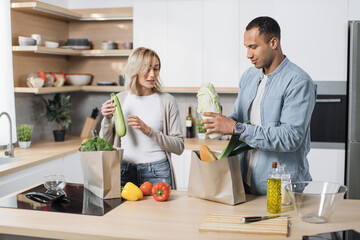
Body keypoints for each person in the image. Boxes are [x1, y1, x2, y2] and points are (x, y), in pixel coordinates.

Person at [202, 16, 317, 195]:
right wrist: (221, 121)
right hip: (243, 179)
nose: (248, 55)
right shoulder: (249, 76)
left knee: (279, 224)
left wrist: (236, 128)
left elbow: (291, 137)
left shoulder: (298, 82)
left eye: (253, 47)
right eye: (246, 47)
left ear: (273, 43)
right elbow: (239, 119)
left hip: (279, 183)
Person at [100, 47, 184, 189]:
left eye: (156, 69)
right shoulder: (120, 99)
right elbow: (105, 144)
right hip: (123, 170)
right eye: (147, 69)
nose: (152, 75)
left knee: (160, 212)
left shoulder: (167, 101)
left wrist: (149, 131)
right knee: (123, 212)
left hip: (158, 172)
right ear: (134, 69)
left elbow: (179, 146)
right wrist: (107, 119)